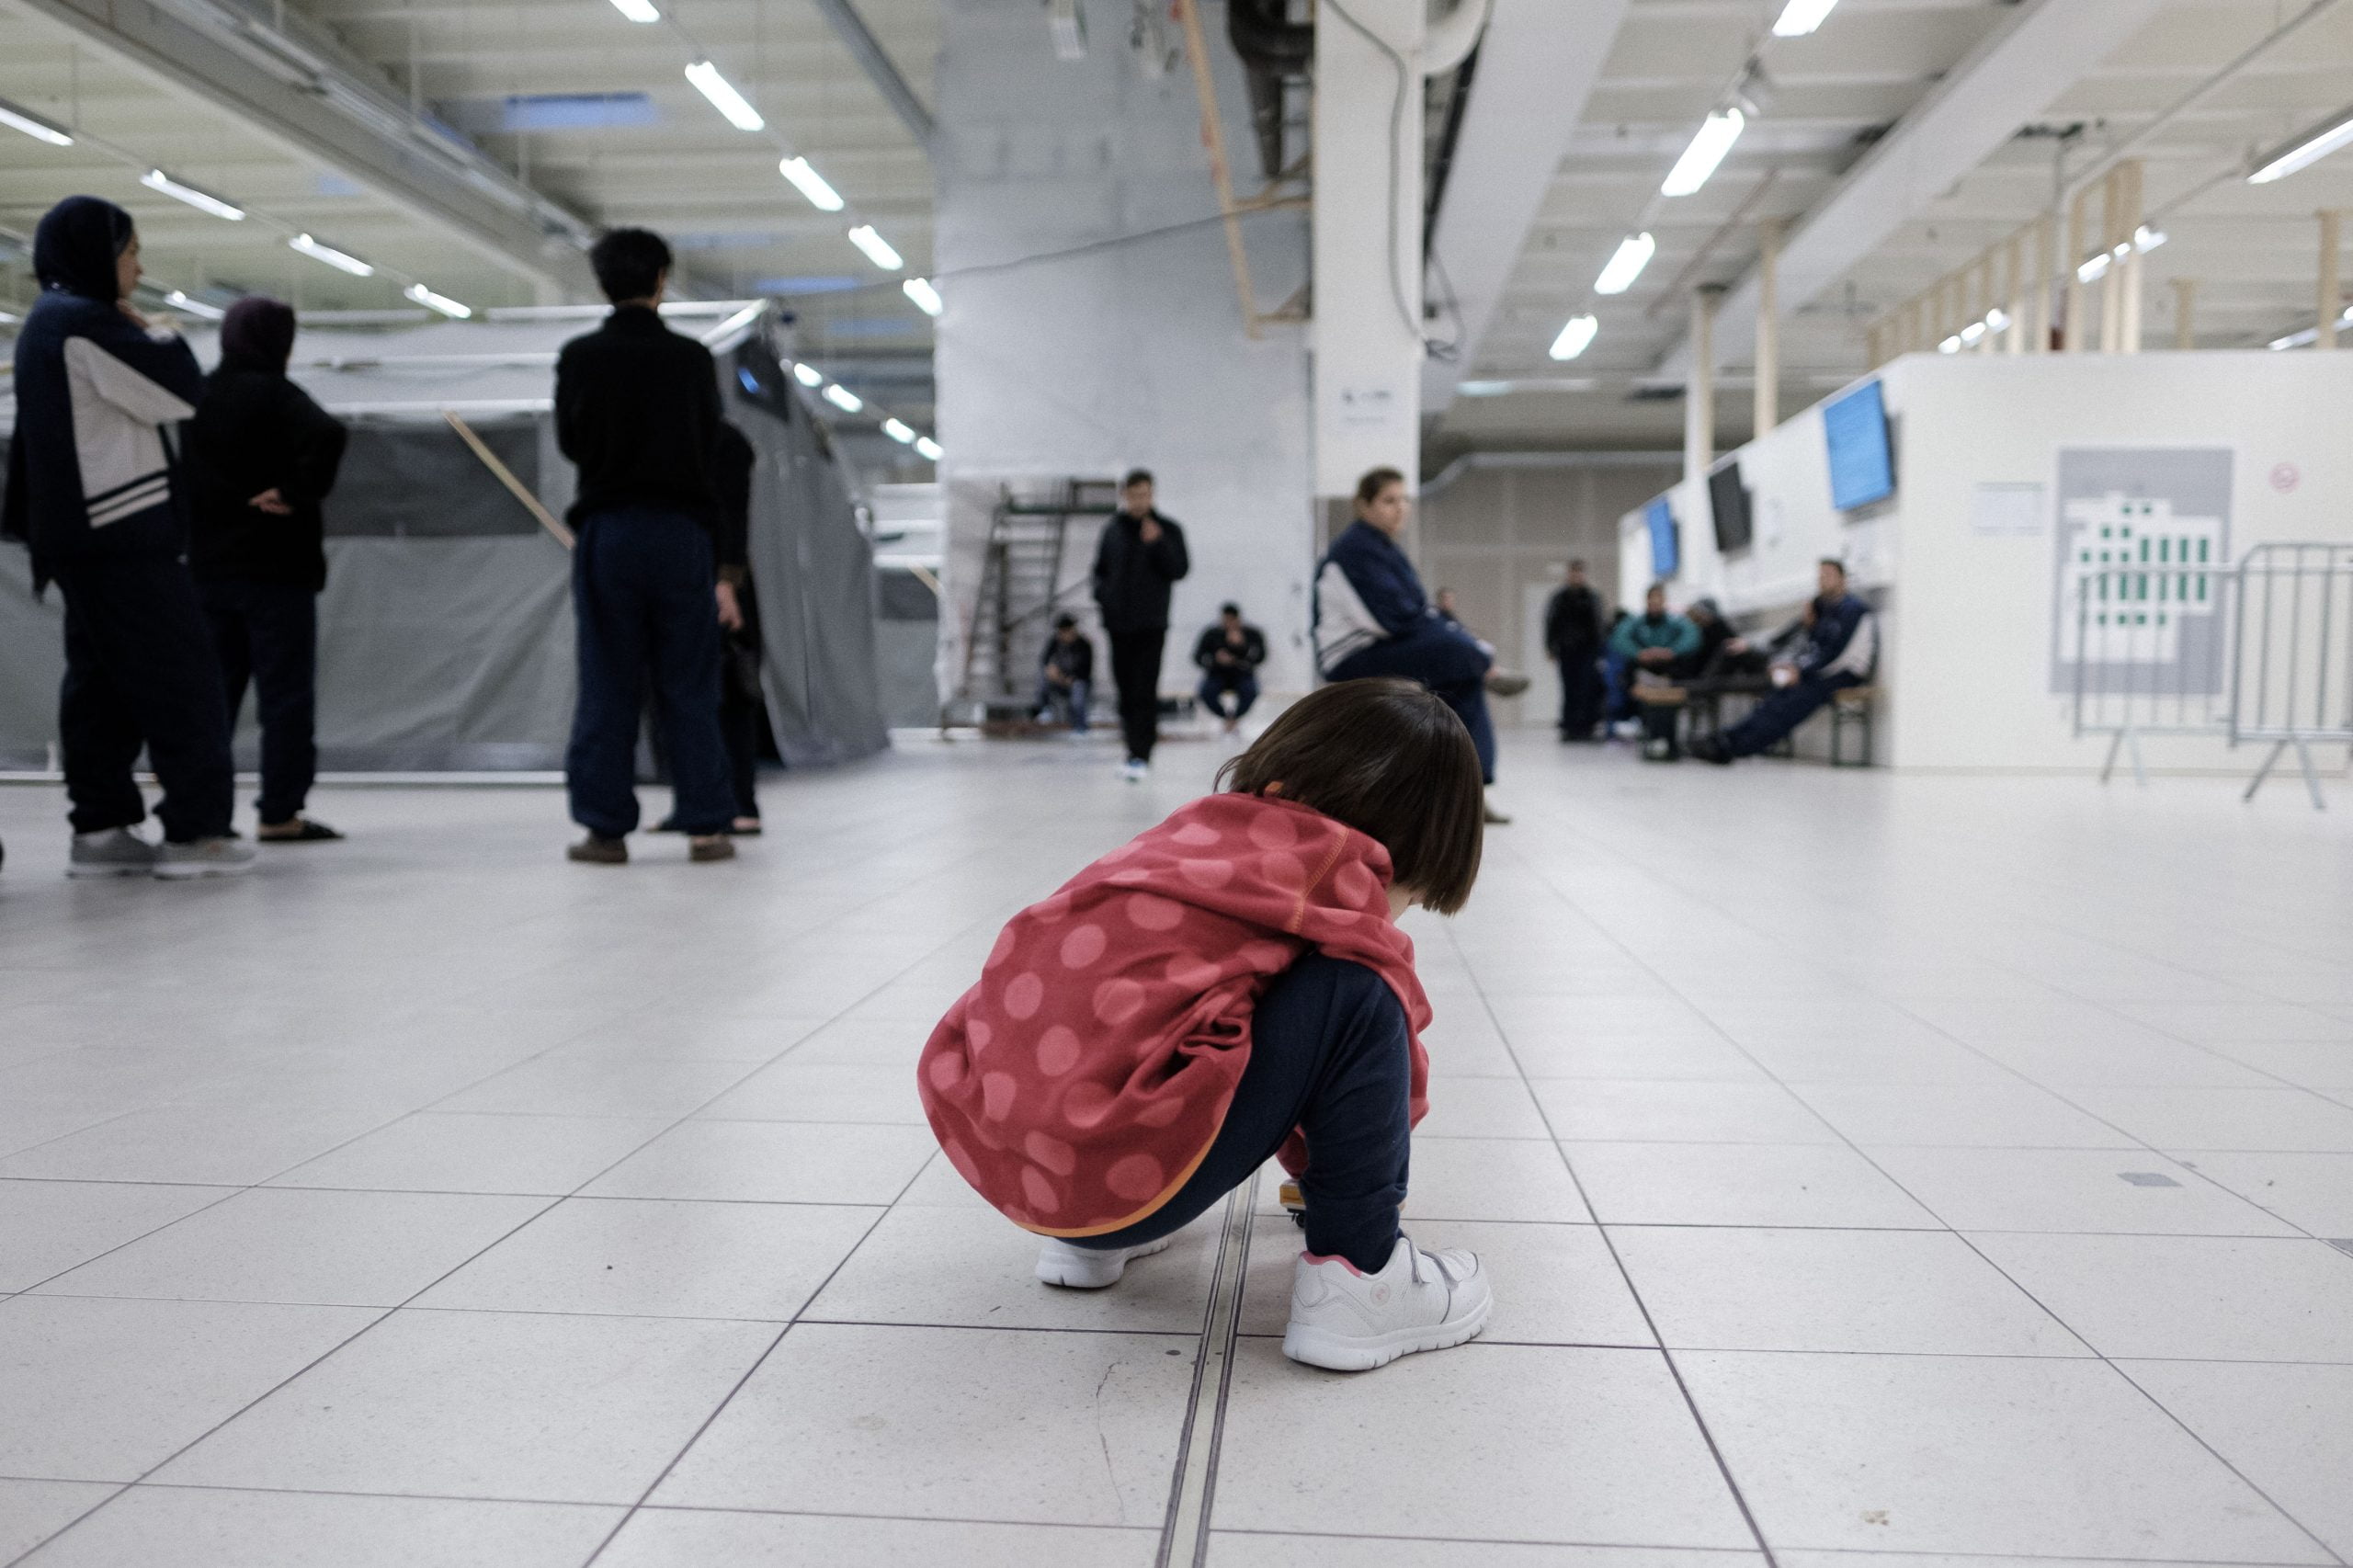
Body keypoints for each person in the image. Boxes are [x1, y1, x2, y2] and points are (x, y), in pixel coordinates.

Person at [916, 678, 1492, 1372]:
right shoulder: (1333, 869)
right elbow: (1379, 1061)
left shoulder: (1196, 837)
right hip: (1116, 1168)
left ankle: (1089, 1245)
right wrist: (1342, 1179)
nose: (1396, 910)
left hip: (1019, 1161)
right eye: (1411, 896)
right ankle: (1362, 1282)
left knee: (1161, 1001)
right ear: (1405, 851)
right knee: (1363, 989)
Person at [1, 196, 249, 879]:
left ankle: (102, 828)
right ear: (96, 255)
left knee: (103, 684)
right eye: (130, 252)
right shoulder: (83, 323)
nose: (139, 269)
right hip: (121, 531)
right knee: (181, 678)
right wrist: (161, 334)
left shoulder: (47, 321)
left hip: (80, 536)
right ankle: (196, 832)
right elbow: (179, 392)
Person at [554, 226, 739, 865]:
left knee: (608, 678)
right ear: (662, 279)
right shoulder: (691, 360)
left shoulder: (581, 356)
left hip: (609, 530)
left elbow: (571, 442)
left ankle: (605, 829)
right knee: (688, 681)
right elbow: (710, 444)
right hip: (681, 533)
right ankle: (707, 825)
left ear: (602, 283)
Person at [185, 296, 349, 844]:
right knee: (284, 698)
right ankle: (279, 813)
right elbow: (329, 434)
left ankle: (202, 813)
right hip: (277, 569)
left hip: (210, 568)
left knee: (212, 698)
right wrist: (294, 492)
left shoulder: (198, 394)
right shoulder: (277, 394)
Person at [1314, 467, 1509, 823]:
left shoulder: (1383, 548)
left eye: (1404, 499)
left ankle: (1468, 790)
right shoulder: (1354, 550)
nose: (1400, 508)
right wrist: (1466, 646)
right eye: (1388, 500)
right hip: (1353, 655)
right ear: (1363, 505)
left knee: (1462, 679)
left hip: (1385, 644)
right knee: (1459, 654)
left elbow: (1416, 610)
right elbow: (1391, 618)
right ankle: (1485, 670)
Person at [652, 417, 763, 835]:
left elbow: (734, 515)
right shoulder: (675, 438)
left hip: (721, 580)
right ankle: (694, 802)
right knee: (683, 692)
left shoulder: (724, 442)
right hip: (688, 575)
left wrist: (727, 580)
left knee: (731, 689)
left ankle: (741, 802)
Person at [1692, 559, 1879, 764]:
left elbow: (1838, 654)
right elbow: (1810, 648)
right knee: (1776, 695)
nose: (1822, 580)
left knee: (1793, 700)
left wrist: (1801, 672)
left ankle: (1734, 747)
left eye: (1828, 575)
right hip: (1816, 672)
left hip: (1845, 673)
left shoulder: (1854, 610)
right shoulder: (1822, 610)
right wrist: (1795, 664)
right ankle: (1726, 739)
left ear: (1842, 579)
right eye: (1820, 576)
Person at [1091, 469, 1189, 780]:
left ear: (1152, 494)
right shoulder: (1112, 530)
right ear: (1125, 495)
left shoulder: (1167, 529)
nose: (1139, 501)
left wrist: (1158, 544)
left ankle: (1141, 754)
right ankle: (1131, 750)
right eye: (1134, 495)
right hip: (1118, 625)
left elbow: (1180, 569)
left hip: (1151, 625)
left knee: (1144, 690)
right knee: (1124, 690)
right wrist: (1103, 596)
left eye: (1144, 494)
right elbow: (1099, 571)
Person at [1612, 584, 1700, 761]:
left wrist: (1672, 652)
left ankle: (1669, 743)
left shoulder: (1675, 623)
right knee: (1647, 703)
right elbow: (1619, 638)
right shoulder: (1636, 623)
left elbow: (1692, 636)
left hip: (1669, 672)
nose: (1655, 604)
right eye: (1652, 600)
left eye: (1658, 600)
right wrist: (1639, 653)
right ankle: (1650, 739)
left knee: (1668, 703)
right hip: (1644, 671)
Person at [1543, 560, 1605, 741]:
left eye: (1579, 573)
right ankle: (1569, 727)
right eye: (1573, 573)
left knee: (1587, 688)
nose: (1576, 577)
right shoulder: (1560, 598)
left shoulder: (1592, 597)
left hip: (1587, 651)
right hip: (1567, 650)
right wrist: (1550, 647)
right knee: (1569, 689)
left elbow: (1598, 624)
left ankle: (1586, 727)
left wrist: (1599, 651)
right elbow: (1551, 623)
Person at [1192, 601, 1265, 733]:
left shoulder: (1251, 634)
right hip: (1217, 673)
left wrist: (1242, 646)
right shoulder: (1212, 634)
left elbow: (1260, 657)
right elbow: (1197, 657)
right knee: (1206, 692)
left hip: (1242, 673)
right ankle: (1227, 718)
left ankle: (1234, 718)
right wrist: (1216, 659)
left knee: (1251, 691)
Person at [1035, 614, 1094, 734]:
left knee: (1078, 693)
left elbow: (1086, 670)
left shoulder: (1084, 644)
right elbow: (1044, 659)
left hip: (1077, 681)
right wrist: (1052, 670)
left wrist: (1071, 678)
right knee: (1043, 678)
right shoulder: (1055, 642)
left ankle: (1080, 726)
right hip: (1059, 680)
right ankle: (1045, 710)